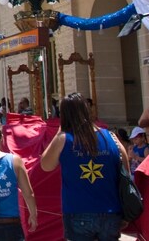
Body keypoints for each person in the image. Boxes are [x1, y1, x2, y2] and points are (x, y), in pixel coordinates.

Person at [41, 93, 127, 240]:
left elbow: (45, 165)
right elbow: (125, 170)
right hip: (110, 210)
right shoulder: (111, 137)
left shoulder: (64, 139)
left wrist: (60, 131)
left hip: (78, 211)